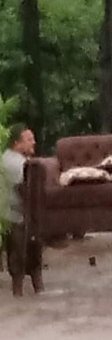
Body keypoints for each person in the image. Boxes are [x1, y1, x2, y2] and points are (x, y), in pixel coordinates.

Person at [1, 124, 43, 296]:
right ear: (16, 143)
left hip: (22, 214)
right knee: (20, 254)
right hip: (15, 215)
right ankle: (21, 291)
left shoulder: (18, 160)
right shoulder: (14, 163)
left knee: (31, 251)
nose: (34, 142)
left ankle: (32, 288)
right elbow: (25, 190)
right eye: (29, 139)